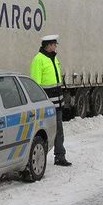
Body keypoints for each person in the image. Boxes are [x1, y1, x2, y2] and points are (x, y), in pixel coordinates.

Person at [30, 34, 71, 166]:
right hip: (47, 105)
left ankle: (60, 156)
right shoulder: (39, 60)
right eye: (54, 44)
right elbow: (36, 85)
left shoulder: (53, 58)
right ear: (48, 45)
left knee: (59, 130)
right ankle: (39, 159)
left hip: (57, 103)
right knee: (44, 132)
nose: (55, 46)